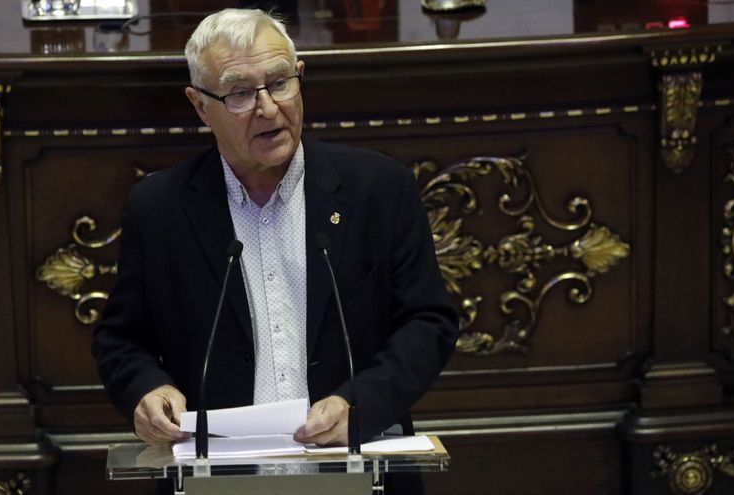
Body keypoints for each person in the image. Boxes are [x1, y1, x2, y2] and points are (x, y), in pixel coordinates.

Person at [92, 7, 459, 490]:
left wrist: (362, 403)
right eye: (241, 93)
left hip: (356, 468)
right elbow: (121, 339)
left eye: (280, 82)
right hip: (219, 477)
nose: (268, 107)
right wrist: (147, 391)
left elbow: (428, 320)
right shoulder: (159, 209)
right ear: (201, 106)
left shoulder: (378, 189)